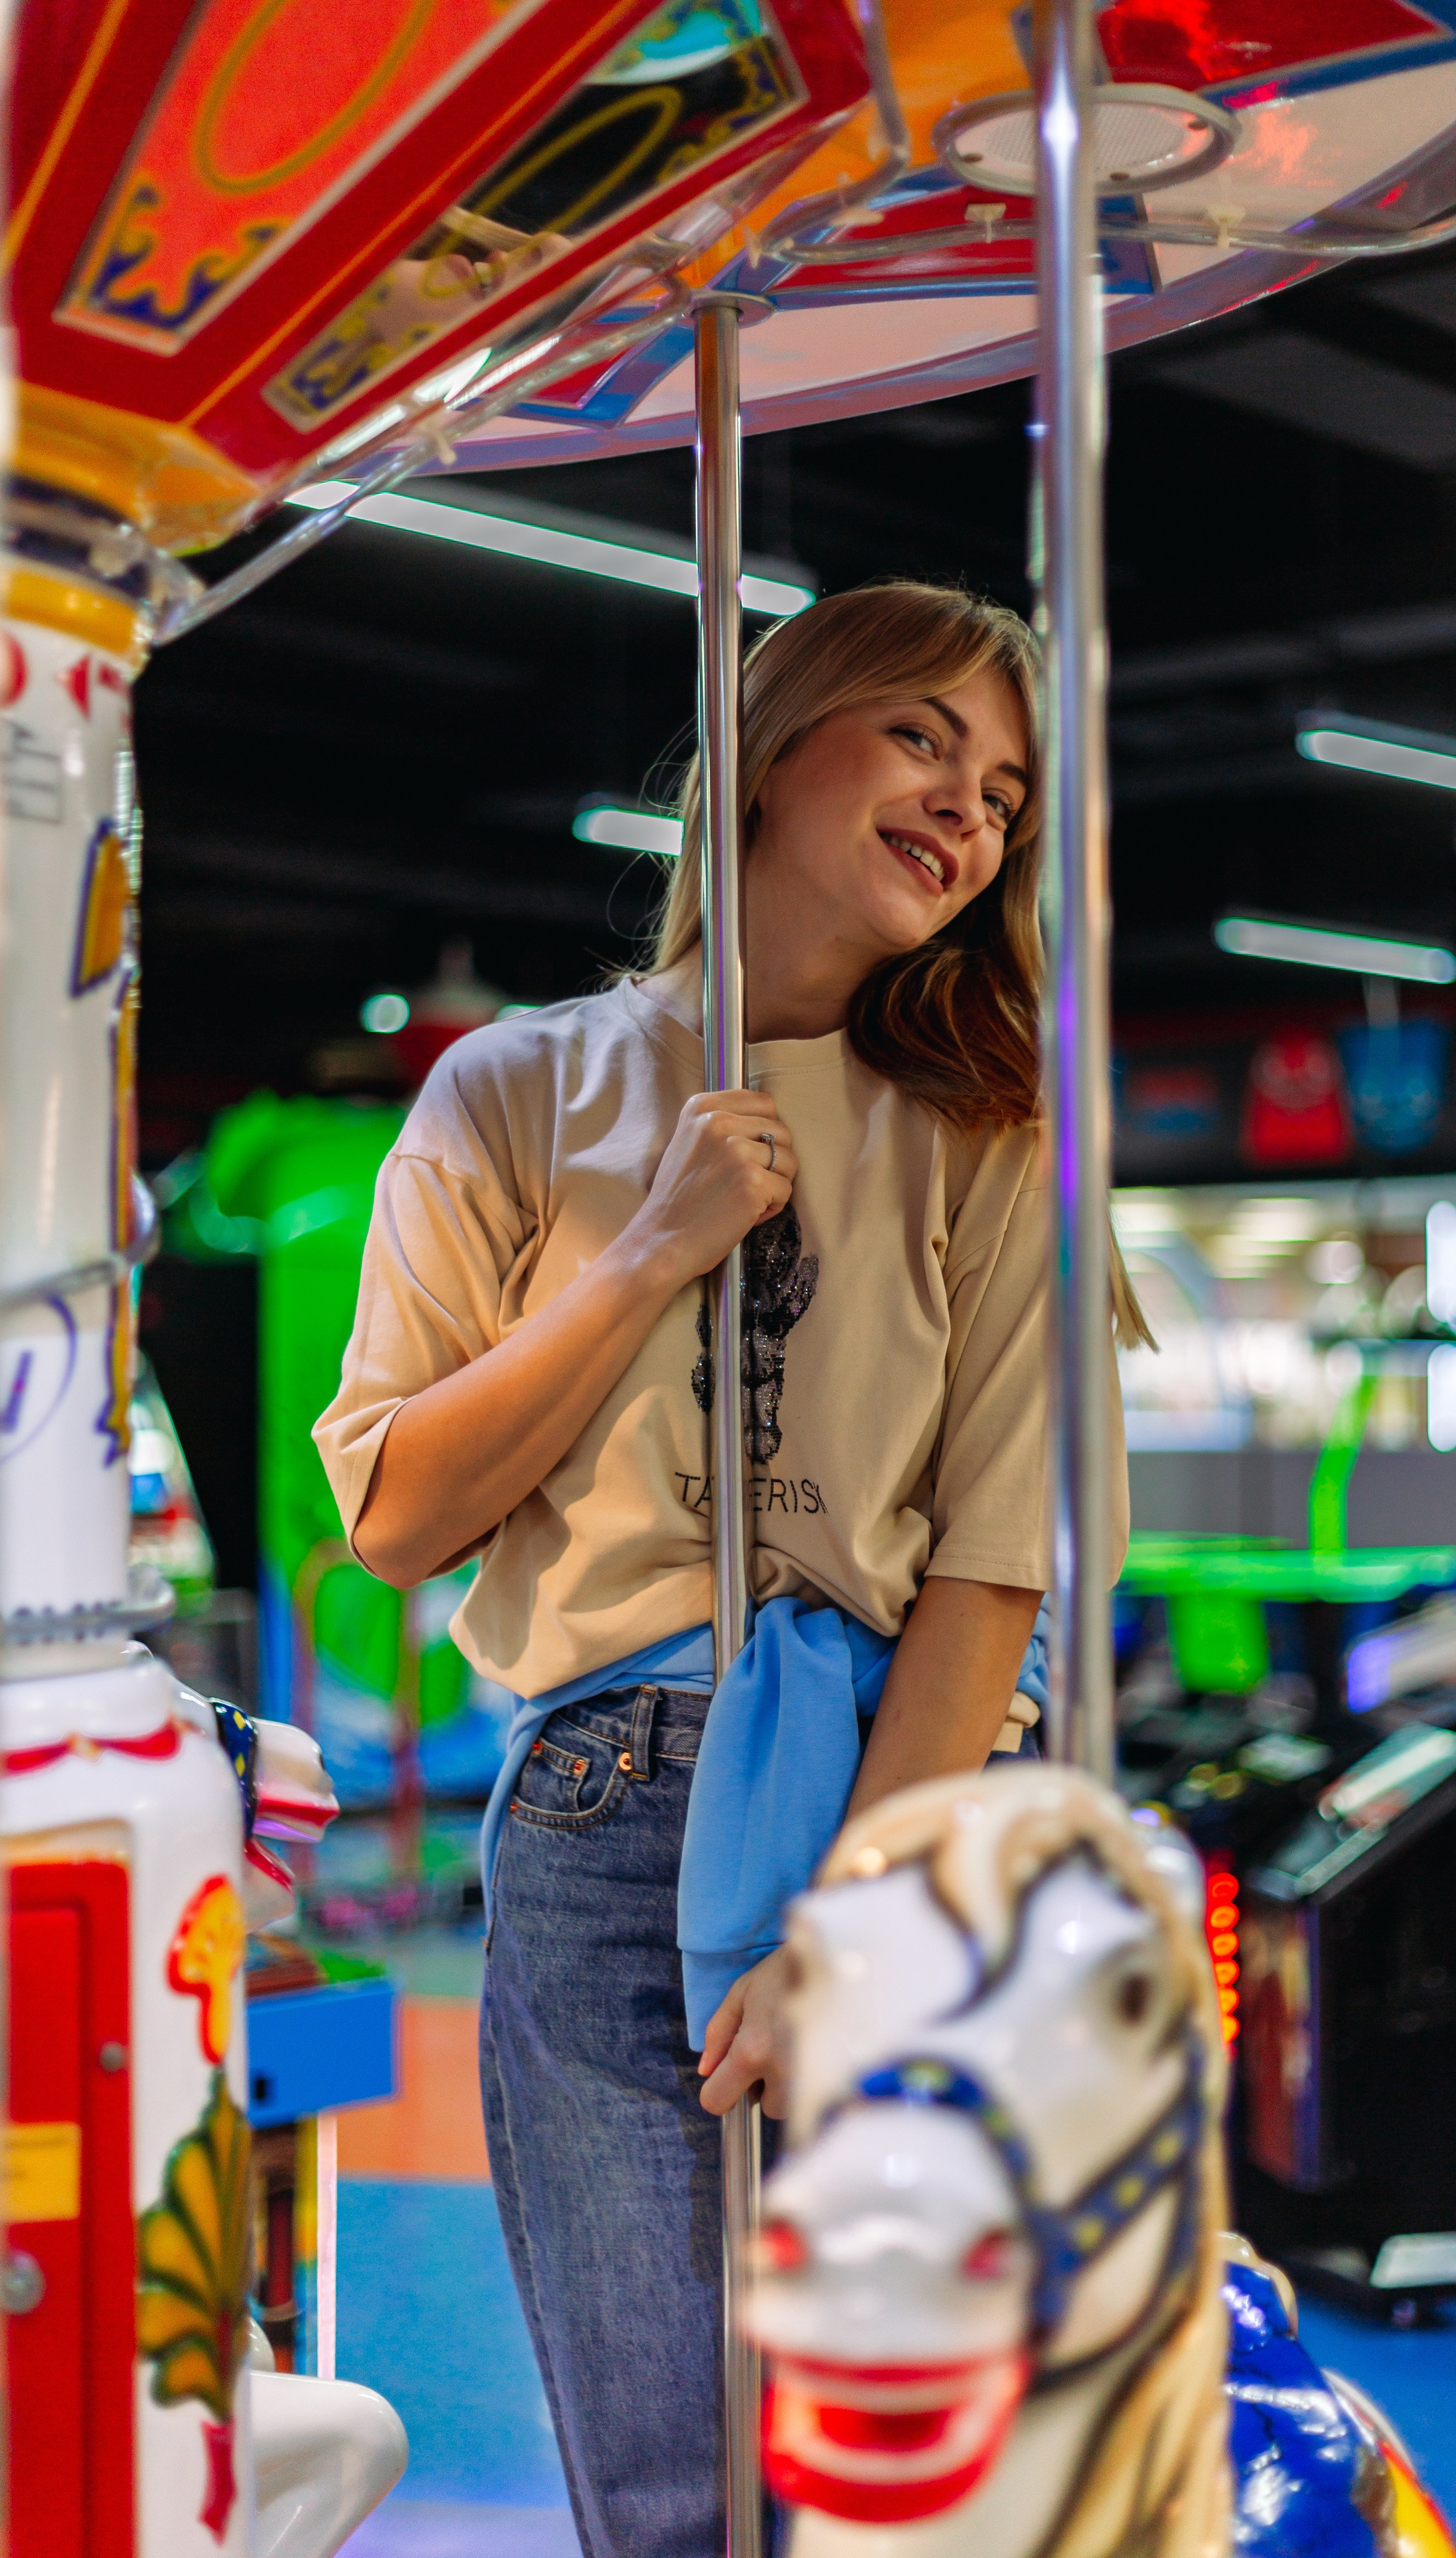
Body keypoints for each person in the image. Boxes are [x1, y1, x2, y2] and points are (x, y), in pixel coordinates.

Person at [313, 580, 1140, 2557]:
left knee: (917, 2486)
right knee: (673, 2494)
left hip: (905, 1811)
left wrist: (847, 1923)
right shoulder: (515, 1093)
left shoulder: (1004, 1134)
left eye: (1008, 791)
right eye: (925, 737)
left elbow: (997, 1572)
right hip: (601, 1812)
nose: (970, 809)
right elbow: (399, 1509)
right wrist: (646, 1247)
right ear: (776, 743)